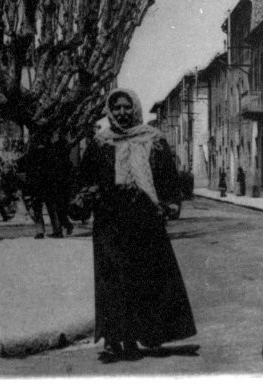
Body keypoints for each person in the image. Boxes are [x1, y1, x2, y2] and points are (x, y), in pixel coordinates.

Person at [71, 88, 196, 362]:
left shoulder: (155, 140)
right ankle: (115, 339)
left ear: (135, 109)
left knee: (142, 279)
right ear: (109, 111)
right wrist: (84, 197)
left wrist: (170, 204)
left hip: (144, 220)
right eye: (116, 108)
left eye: (127, 107)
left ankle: (138, 337)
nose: (122, 112)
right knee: (113, 281)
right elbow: (86, 178)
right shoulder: (101, 143)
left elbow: (167, 179)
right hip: (109, 221)